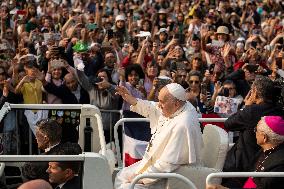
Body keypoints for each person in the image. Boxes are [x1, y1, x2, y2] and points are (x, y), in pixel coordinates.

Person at [114, 83, 203, 189]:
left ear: (176, 104)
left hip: (173, 176)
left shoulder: (183, 125)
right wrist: (132, 99)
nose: (159, 105)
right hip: (159, 165)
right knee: (121, 176)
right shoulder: (181, 106)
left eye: (161, 102)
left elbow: (168, 164)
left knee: (127, 187)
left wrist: (141, 178)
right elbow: (154, 107)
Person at [222, 76, 284, 187]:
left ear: (254, 92)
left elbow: (228, 124)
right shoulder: (279, 110)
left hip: (243, 165)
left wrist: (246, 106)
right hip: (268, 160)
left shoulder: (250, 111)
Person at [207, 116, 284, 189]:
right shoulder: (266, 149)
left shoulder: (279, 165)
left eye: (256, 130)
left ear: (264, 137)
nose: (255, 133)